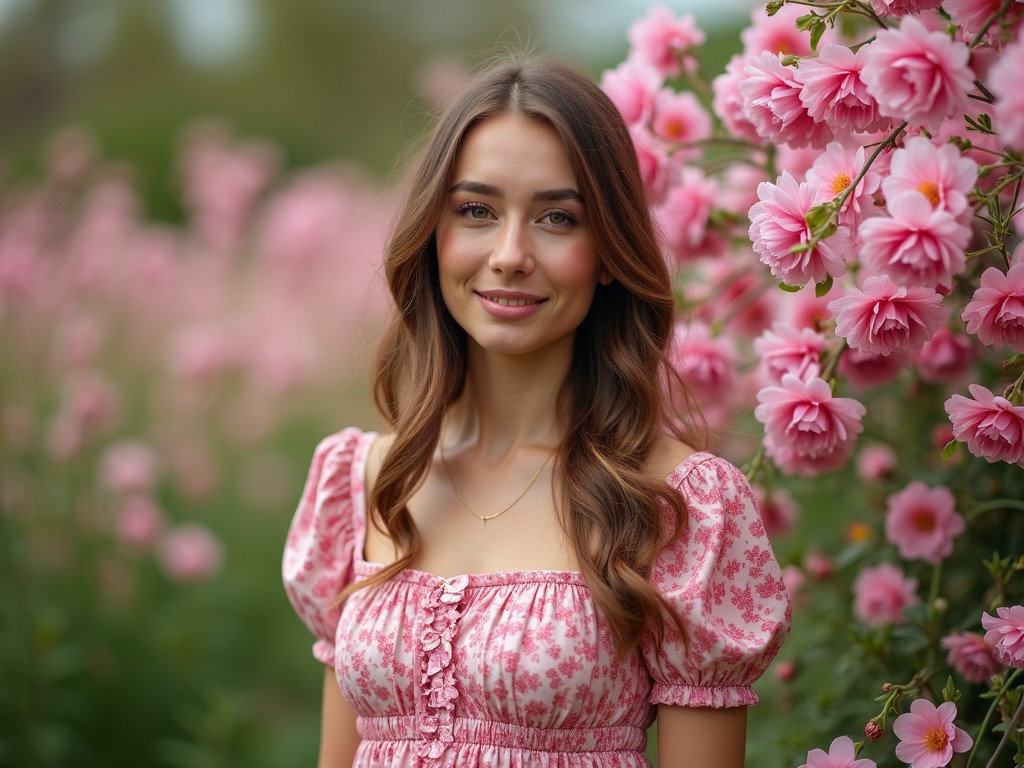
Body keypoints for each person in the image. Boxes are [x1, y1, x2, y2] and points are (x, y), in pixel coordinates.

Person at [282, 56, 791, 768]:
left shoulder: (678, 507)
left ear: (608, 250)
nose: (510, 254)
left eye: (557, 217)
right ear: (435, 234)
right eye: (477, 212)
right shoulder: (361, 481)